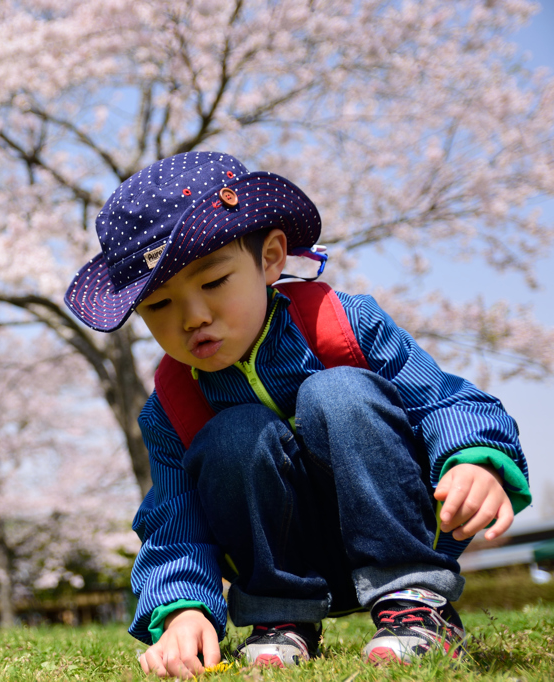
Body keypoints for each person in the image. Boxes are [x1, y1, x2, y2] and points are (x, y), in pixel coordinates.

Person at [63, 152, 530, 676]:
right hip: (275, 559)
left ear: (270, 259)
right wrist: (180, 609)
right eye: (159, 305)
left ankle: (416, 604)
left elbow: (444, 400)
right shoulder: (172, 407)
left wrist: (474, 458)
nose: (193, 317)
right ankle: (280, 619)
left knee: (338, 392)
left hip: (397, 524)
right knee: (231, 434)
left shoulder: (345, 326)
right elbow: (176, 518)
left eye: (213, 282)